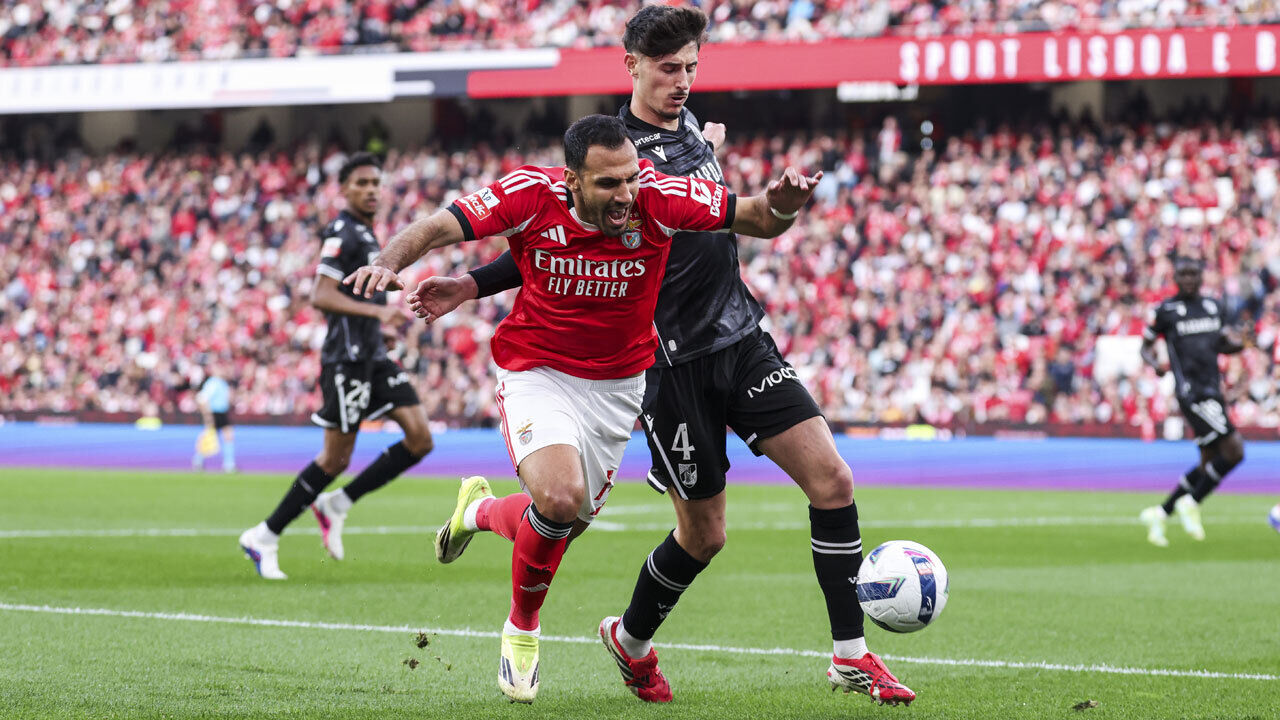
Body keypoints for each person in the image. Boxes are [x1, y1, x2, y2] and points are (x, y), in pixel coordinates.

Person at [405, 4, 915, 707]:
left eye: (692, 68)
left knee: (833, 480)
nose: (682, 81)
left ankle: (851, 655)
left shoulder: (692, 130)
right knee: (700, 536)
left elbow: (742, 214)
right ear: (633, 68)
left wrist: (776, 199)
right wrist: (471, 281)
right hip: (668, 367)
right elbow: (551, 244)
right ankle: (631, 639)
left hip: (740, 337)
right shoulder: (617, 156)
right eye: (670, 69)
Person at [345, 114, 820, 703]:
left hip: (619, 388)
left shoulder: (660, 197)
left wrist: (784, 205)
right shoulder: (528, 193)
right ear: (571, 179)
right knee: (561, 499)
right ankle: (522, 627)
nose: (625, 196)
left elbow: (757, 219)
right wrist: (389, 261)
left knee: (559, 525)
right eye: (607, 185)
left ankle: (479, 509)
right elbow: (438, 226)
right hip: (537, 372)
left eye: (629, 179)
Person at [238, 152, 435, 580]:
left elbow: (356, 298)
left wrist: (379, 329)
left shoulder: (367, 234)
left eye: (375, 183)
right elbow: (321, 295)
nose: (371, 190)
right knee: (334, 459)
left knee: (420, 439)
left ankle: (338, 504)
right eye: (361, 182)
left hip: (373, 356)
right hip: (346, 360)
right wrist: (378, 316)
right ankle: (265, 535)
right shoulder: (342, 232)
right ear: (343, 189)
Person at [1140, 256, 1250, 546]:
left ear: (1202, 277)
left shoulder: (1214, 307)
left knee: (1208, 462)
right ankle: (1193, 502)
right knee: (1235, 450)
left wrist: (1241, 343)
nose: (1189, 279)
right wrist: (1155, 364)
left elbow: (1222, 345)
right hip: (1192, 393)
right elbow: (1145, 347)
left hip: (1214, 390)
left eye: (1194, 274)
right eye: (1184, 274)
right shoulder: (1166, 311)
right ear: (1175, 277)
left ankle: (1161, 513)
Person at [192, 361, 236, 473]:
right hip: (214, 413)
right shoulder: (213, 383)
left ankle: (228, 464)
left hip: (222, 412)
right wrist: (207, 415)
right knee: (210, 437)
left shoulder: (223, 383)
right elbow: (202, 398)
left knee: (227, 436)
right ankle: (198, 461)